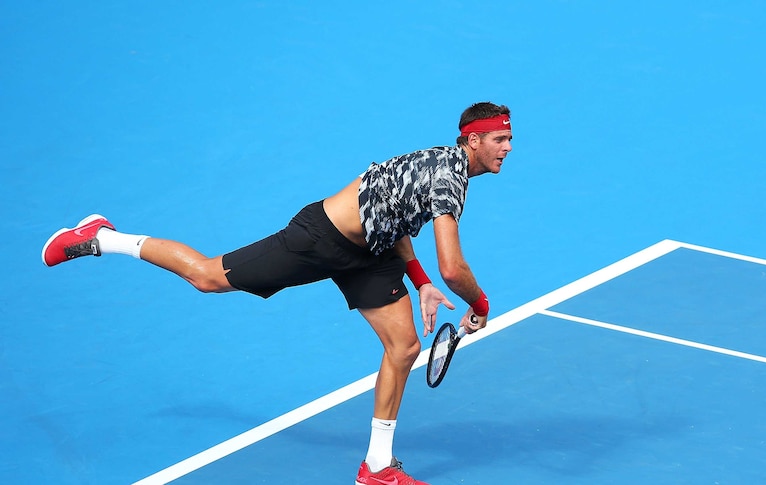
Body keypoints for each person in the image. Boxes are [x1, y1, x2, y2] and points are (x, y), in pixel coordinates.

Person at [41, 101, 513, 485]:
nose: (508, 148)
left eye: (509, 139)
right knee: (207, 277)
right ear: (472, 139)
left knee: (404, 346)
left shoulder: (437, 165)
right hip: (321, 238)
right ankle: (103, 237)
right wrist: (480, 303)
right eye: (500, 139)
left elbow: (394, 215)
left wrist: (419, 281)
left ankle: (377, 468)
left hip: (371, 252)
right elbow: (455, 269)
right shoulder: (448, 177)